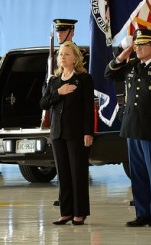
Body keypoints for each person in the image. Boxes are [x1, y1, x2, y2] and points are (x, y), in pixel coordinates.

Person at [105, 29, 151, 227]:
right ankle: (142, 214)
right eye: (137, 44)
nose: (138, 48)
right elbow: (109, 74)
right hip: (132, 126)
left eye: (142, 45)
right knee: (138, 173)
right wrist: (121, 57)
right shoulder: (132, 65)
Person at [40, 41, 94, 225]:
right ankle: (66, 211)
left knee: (78, 172)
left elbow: (88, 107)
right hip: (58, 132)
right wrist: (59, 92)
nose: (62, 57)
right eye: (60, 54)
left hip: (77, 132)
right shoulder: (54, 81)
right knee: (63, 173)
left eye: (66, 54)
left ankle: (80, 212)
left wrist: (88, 132)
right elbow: (44, 103)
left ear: (75, 58)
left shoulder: (84, 79)